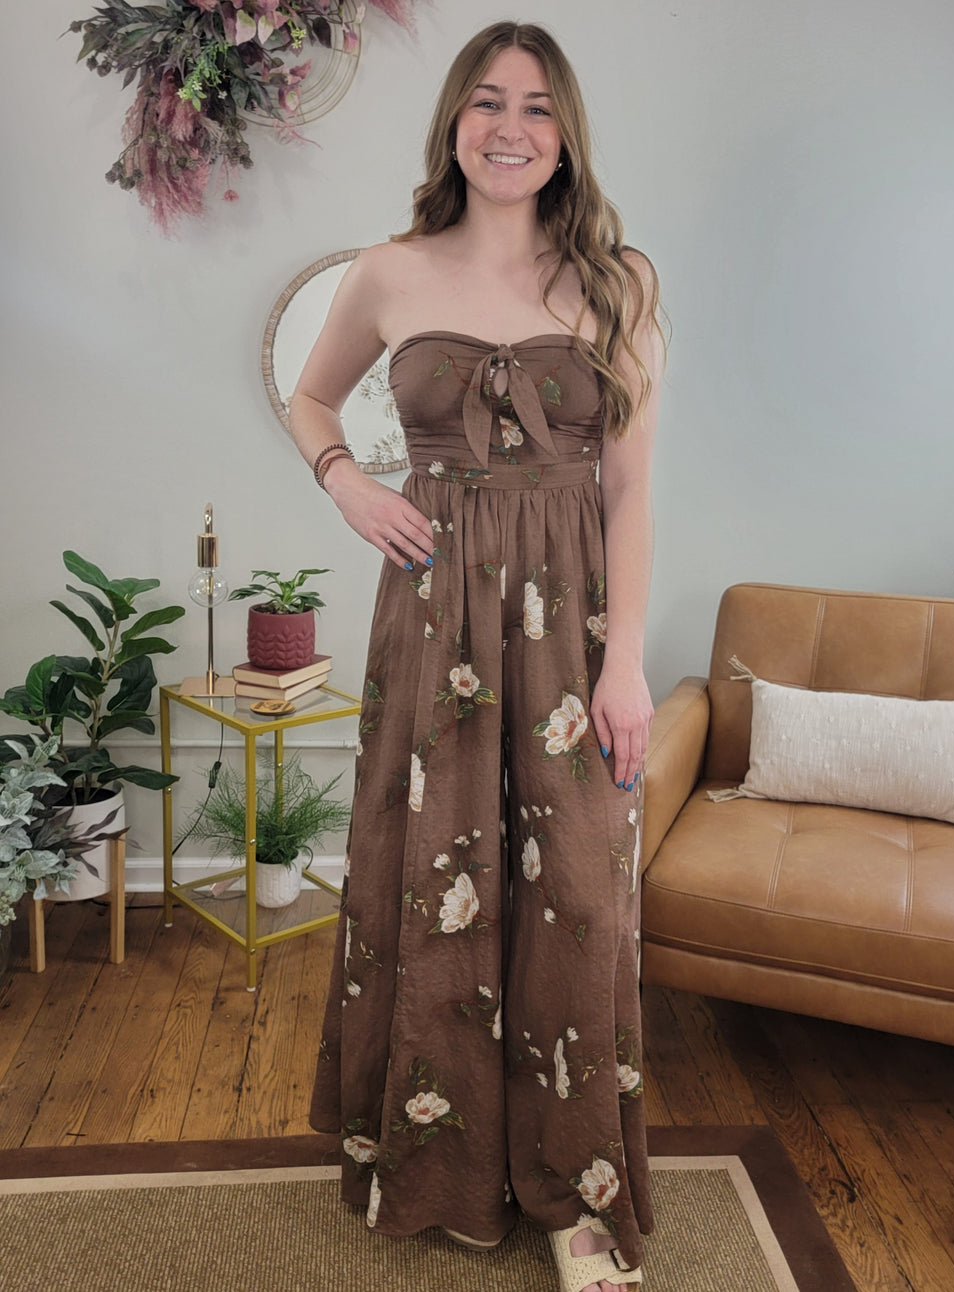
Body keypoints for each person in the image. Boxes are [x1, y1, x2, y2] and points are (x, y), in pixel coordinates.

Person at [290, 20, 663, 1292]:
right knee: (432, 874)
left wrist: (626, 664)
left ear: (567, 137)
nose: (513, 128)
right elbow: (310, 396)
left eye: (540, 108)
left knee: (577, 894)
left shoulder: (619, 280)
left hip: (575, 628)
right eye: (490, 103)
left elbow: (633, 494)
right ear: (455, 122)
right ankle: (448, 1166)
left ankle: (573, 1193)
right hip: (435, 613)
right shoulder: (392, 271)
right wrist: (347, 483)